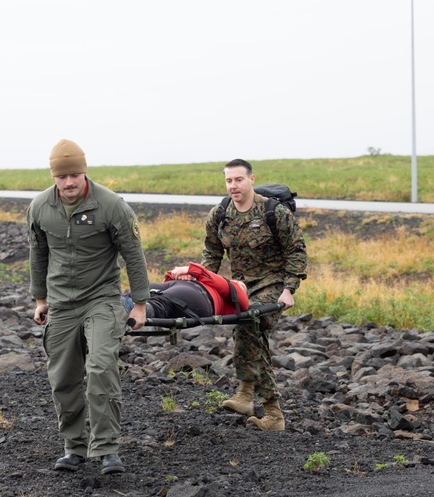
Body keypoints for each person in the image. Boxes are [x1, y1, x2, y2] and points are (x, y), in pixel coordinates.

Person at [27, 139, 150, 476]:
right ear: (53, 176)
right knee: (63, 377)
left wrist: (139, 304)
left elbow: (133, 255)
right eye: (62, 177)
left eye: (75, 175)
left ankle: (107, 449)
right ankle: (74, 448)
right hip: (62, 304)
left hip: (102, 300)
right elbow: (38, 254)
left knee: (100, 368)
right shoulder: (40, 207)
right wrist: (40, 299)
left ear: (85, 172)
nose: (69, 183)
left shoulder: (111, 206)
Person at [202, 159, 307, 431]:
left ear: (251, 179)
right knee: (246, 332)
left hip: (272, 284)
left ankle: (265, 407)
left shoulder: (273, 211)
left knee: (248, 324)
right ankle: (252, 400)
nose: (233, 186)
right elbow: (212, 254)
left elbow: (296, 250)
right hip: (240, 286)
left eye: (238, 180)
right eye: (228, 181)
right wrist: (202, 286)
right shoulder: (220, 213)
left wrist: (289, 290)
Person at [121, 262, 250, 320]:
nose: (239, 283)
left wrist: (192, 270)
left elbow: (227, 287)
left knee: (163, 302)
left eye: (242, 286)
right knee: (141, 291)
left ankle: (130, 308)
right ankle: (116, 304)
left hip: (201, 297)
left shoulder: (234, 294)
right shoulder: (210, 280)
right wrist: (180, 275)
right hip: (179, 286)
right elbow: (167, 280)